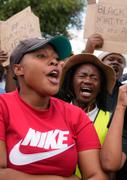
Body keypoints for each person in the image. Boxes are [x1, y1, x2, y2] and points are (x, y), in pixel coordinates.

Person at [0, 36, 108, 180]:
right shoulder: (3, 106)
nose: (55, 62)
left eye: (57, 59)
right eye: (41, 56)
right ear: (19, 69)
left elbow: (96, 175)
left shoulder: (76, 115)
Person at [55, 53, 116, 178]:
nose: (87, 81)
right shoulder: (54, 113)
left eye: (94, 78)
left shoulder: (111, 120)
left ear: (100, 88)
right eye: (82, 76)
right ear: (71, 82)